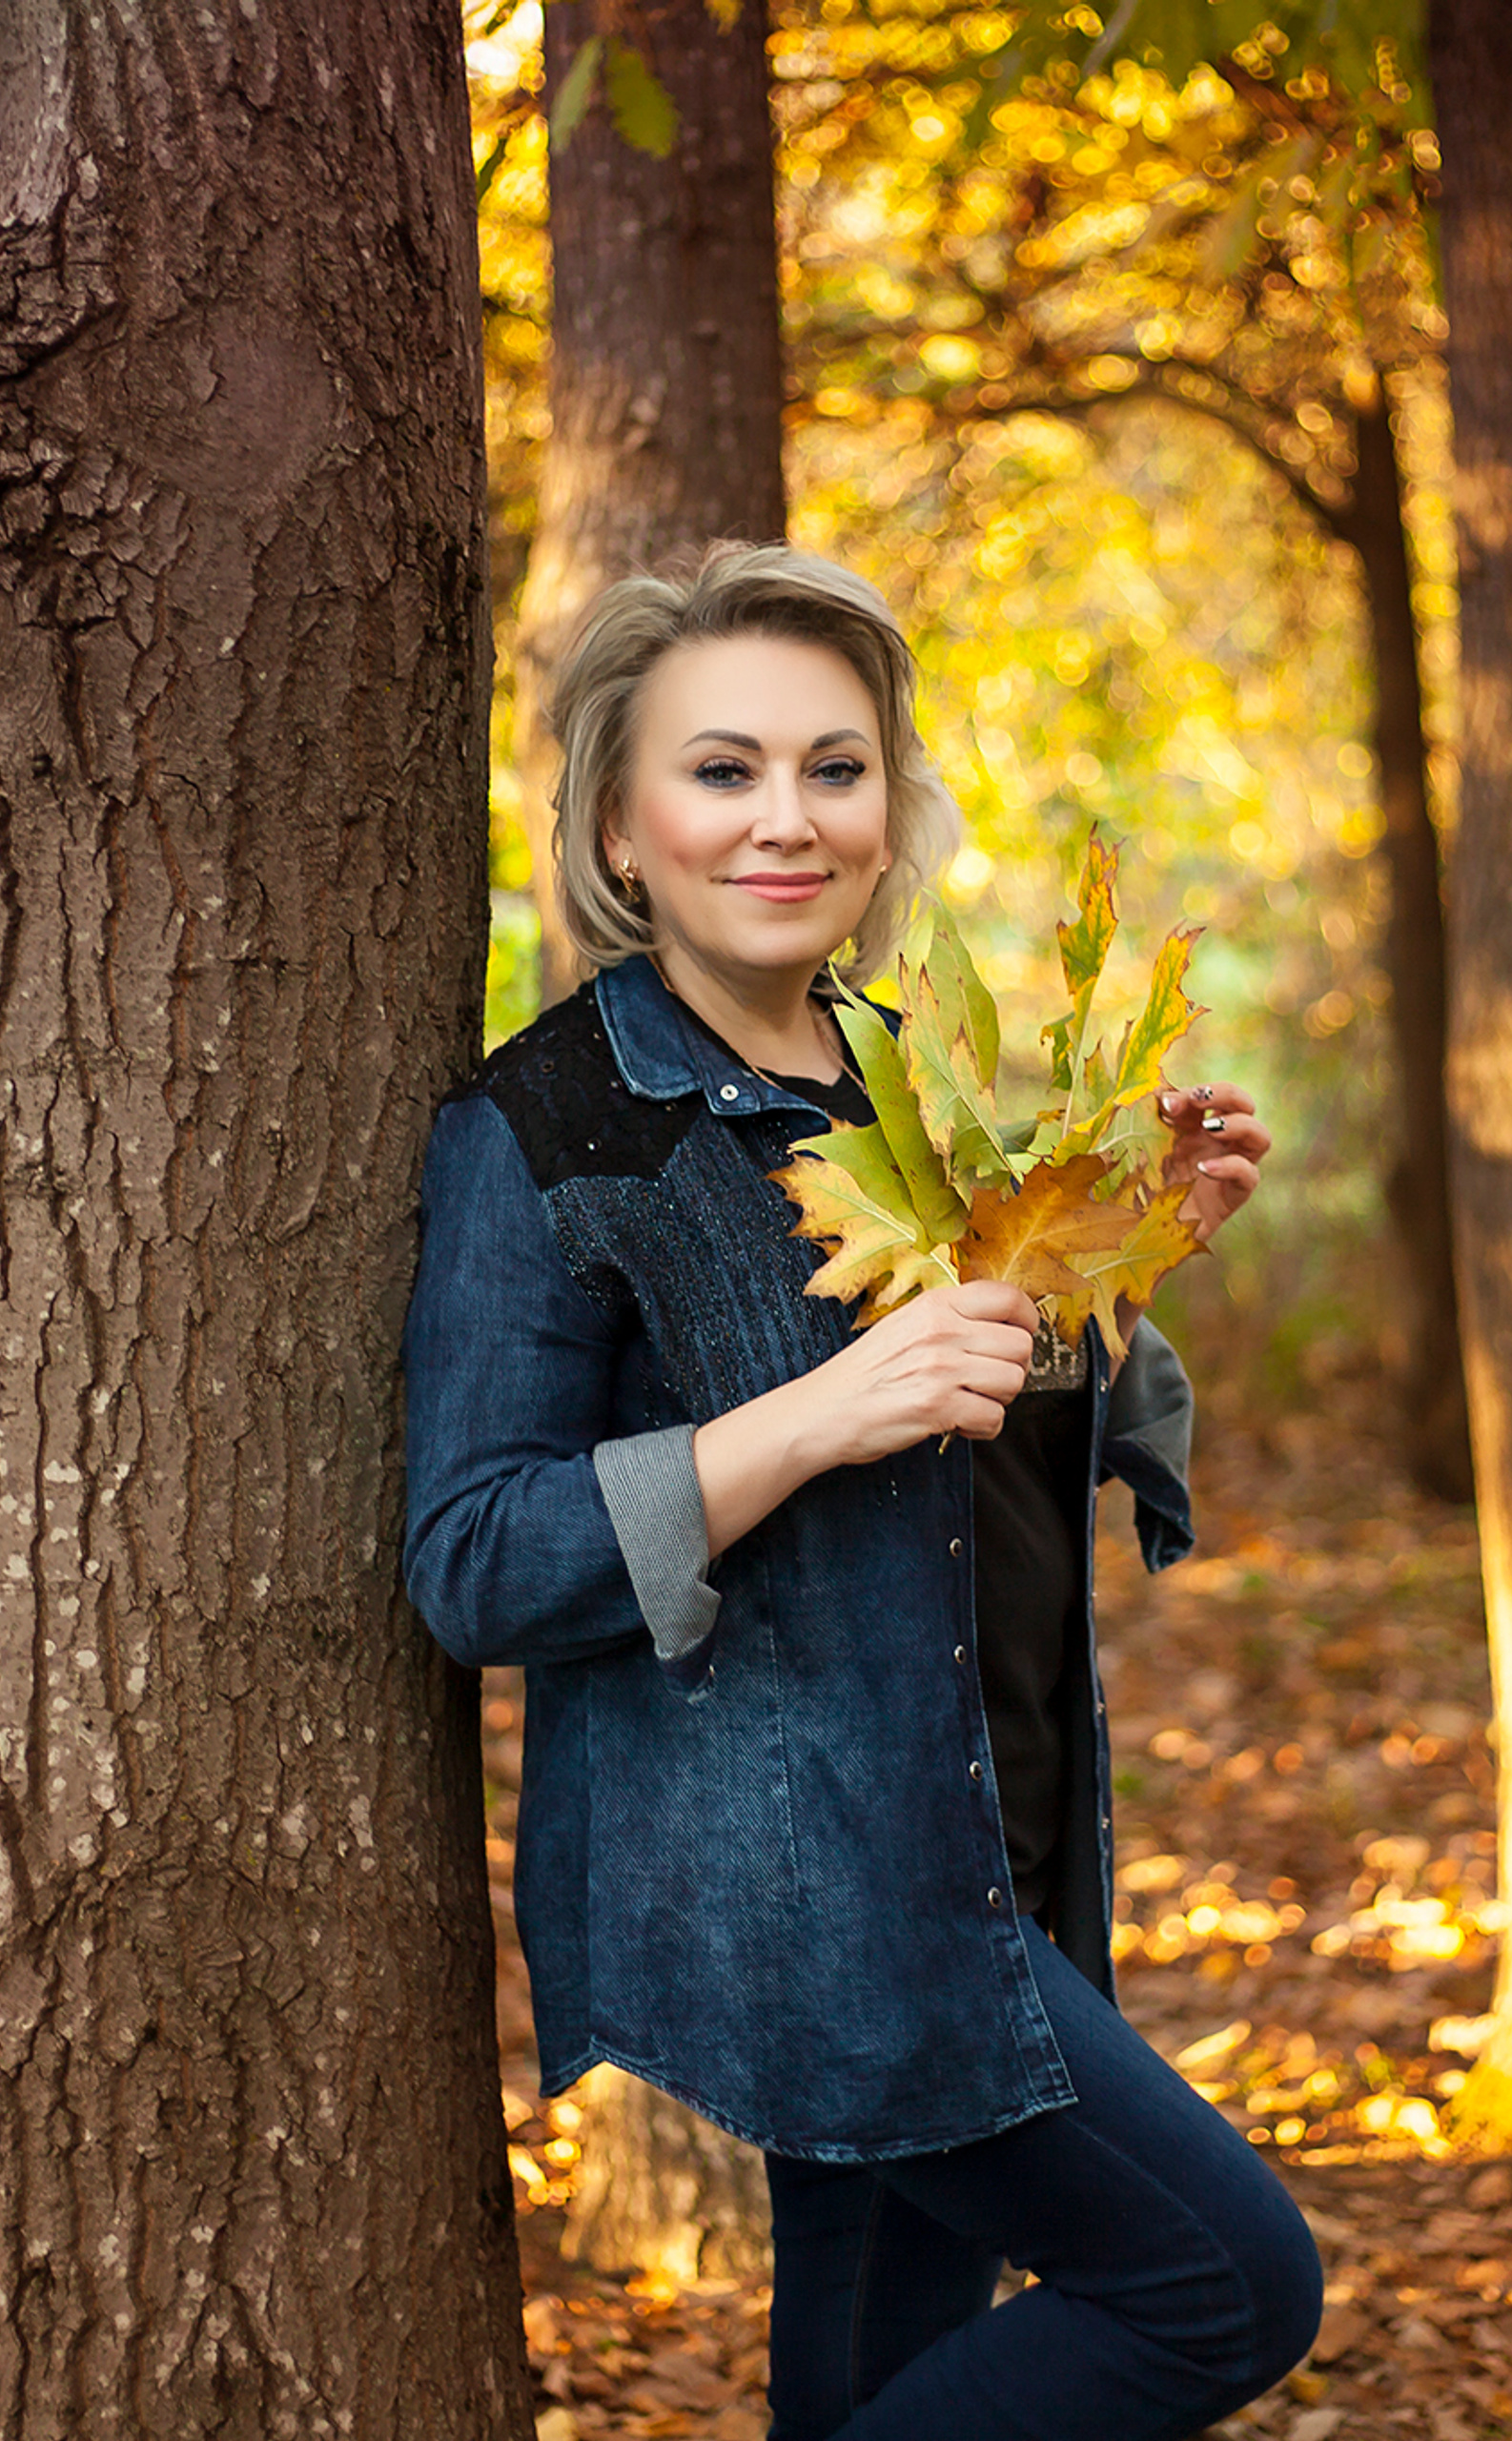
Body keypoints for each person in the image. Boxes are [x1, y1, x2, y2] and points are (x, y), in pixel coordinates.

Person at [400, 543, 1318, 2441]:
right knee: (1219, 2281)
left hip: (990, 1809)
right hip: (815, 1894)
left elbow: (981, 1409)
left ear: (888, 809)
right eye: (720, 769)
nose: (784, 818)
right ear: (619, 825)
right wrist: (807, 1418)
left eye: (834, 767)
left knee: (881, 2369)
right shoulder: (552, 1129)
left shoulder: (901, 1071)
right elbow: (475, 1559)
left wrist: (1118, 1250)